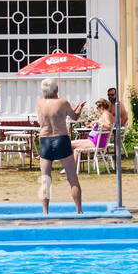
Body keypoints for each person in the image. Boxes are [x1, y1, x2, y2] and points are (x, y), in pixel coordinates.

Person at [35, 79, 85, 214]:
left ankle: (45, 212)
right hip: (61, 138)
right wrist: (79, 108)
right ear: (56, 90)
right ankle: (79, 210)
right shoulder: (63, 102)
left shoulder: (39, 103)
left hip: (45, 139)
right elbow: (74, 117)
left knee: (45, 179)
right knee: (72, 177)